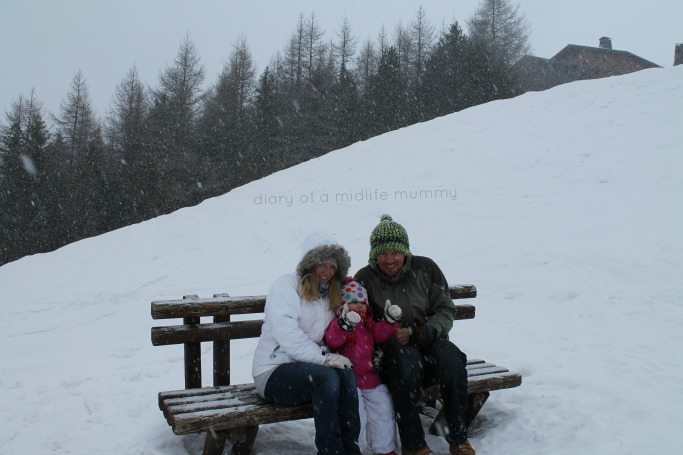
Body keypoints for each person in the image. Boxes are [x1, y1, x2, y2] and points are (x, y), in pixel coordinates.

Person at [355, 215, 476, 455]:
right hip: (392, 350)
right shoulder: (365, 279)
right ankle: (414, 444)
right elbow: (361, 324)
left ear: (405, 252)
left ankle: (457, 437)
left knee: (452, 360)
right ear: (374, 255)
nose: (390, 260)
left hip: (429, 339)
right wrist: (388, 334)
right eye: (383, 253)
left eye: (395, 253)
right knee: (405, 366)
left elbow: (445, 308)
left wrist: (429, 330)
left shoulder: (426, 268)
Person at [252, 233, 361, 455]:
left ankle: (350, 448)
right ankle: (330, 451)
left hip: (308, 368)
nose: (326, 272)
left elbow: (326, 337)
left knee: (347, 375)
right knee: (325, 377)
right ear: (309, 264)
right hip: (272, 372)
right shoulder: (286, 286)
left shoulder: (327, 296)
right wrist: (324, 359)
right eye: (321, 264)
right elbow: (287, 335)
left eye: (331, 266)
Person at [324, 278, 402, 455]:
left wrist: (389, 321)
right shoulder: (338, 324)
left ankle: (384, 448)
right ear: (342, 306)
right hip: (349, 382)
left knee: (383, 412)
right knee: (355, 416)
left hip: (371, 378)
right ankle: (355, 448)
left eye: (361, 303)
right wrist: (344, 325)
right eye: (352, 302)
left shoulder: (368, 324)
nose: (358, 306)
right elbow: (333, 340)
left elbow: (380, 335)